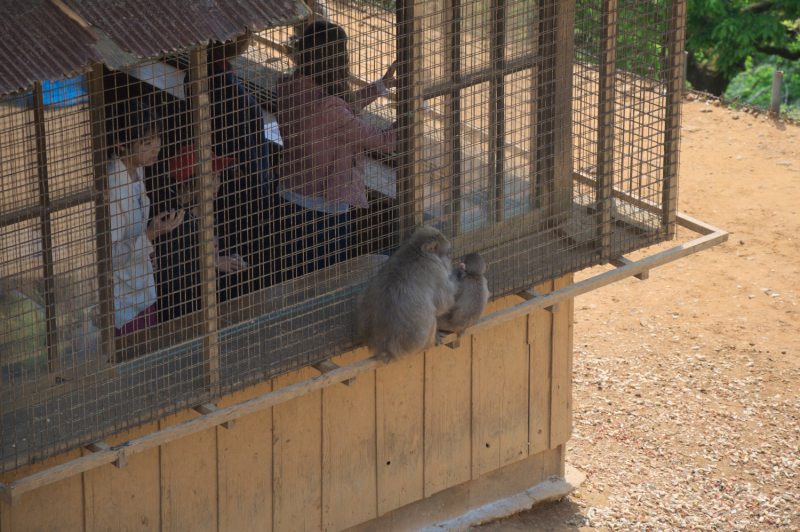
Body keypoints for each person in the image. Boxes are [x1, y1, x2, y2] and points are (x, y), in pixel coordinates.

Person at [275, 21, 397, 281]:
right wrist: (413, 110)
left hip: (287, 198)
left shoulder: (287, 86)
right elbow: (387, 142)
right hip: (321, 213)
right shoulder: (328, 107)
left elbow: (343, 116)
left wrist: (382, 85)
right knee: (327, 287)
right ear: (338, 59)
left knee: (295, 283)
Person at [107, 99, 184, 336]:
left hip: (143, 288)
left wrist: (148, 251)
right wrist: (150, 235)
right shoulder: (110, 187)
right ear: (121, 145)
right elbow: (108, 258)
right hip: (121, 301)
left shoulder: (137, 169)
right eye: (147, 142)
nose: (157, 147)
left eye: (157, 139)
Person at [207, 31, 273, 296]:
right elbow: (245, 148)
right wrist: (262, 195)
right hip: (237, 187)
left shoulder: (209, 70)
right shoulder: (225, 84)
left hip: (227, 179)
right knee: (235, 260)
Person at [152, 145, 246, 323]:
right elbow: (168, 273)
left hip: (207, 309)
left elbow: (220, 253)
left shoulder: (205, 211)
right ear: (188, 181)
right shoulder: (169, 218)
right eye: (210, 178)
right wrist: (212, 263)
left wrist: (232, 259)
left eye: (217, 177)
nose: (217, 185)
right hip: (179, 318)